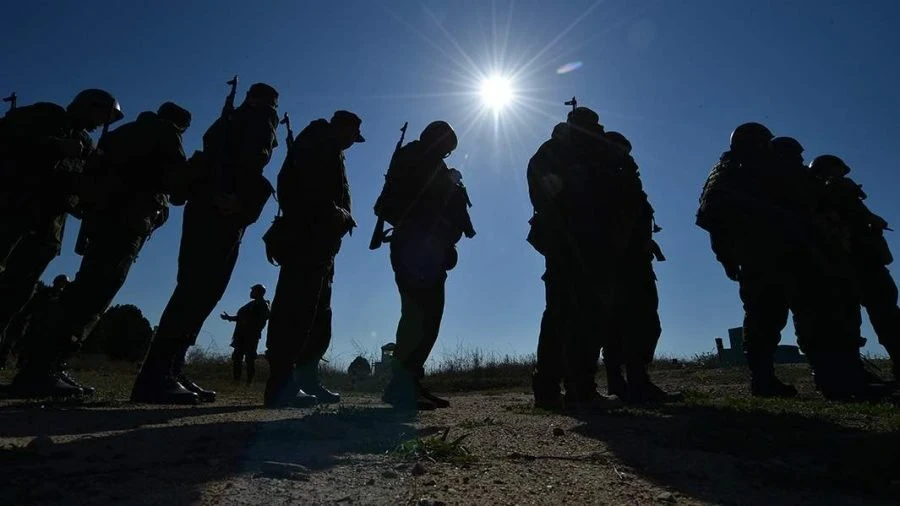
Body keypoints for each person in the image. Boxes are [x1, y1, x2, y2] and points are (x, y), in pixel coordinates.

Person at [8, 102, 191, 398]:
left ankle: (42, 365)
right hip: (127, 222)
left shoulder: (121, 133)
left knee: (85, 288)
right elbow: (177, 182)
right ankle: (44, 369)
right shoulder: (166, 134)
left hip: (102, 222)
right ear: (180, 124)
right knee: (95, 293)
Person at [697, 123, 889, 401]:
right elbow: (713, 217)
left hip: (795, 253)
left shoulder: (770, 169)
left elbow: (810, 201)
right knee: (766, 318)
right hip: (762, 254)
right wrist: (728, 258)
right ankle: (765, 379)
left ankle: (832, 379)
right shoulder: (732, 171)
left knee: (810, 316)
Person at [132, 83, 279, 404]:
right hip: (220, 207)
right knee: (196, 289)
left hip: (214, 204)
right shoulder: (256, 119)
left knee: (203, 291)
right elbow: (250, 159)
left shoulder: (233, 121)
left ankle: (172, 368)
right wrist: (237, 198)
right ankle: (157, 374)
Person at [0, 89, 123, 384]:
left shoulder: (86, 143)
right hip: (14, 215)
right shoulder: (47, 116)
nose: (101, 123)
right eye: (101, 114)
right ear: (86, 106)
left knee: (16, 295)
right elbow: (9, 144)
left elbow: (75, 186)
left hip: (48, 227)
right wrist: (54, 146)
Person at [262, 110, 364, 408]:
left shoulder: (330, 148)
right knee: (294, 310)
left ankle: (306, 379)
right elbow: (298, 189)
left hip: (322, 244)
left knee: (318, 315)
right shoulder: (316, 141)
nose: (352, 143)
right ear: (341, 127)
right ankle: (281, 384)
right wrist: (332, 213)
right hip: (305, 239)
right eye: (352, 136)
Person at [373, 120, 475, 411]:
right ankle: (402, 386)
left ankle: (406, 383)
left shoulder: (424, 161)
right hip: (418, 248)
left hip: (425, 248)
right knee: (421, 317)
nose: (447, 153)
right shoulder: (419, 161)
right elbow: (423, 204)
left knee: (425, 317)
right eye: (446, 146)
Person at [526, 107, 621, 410]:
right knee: (565, 314)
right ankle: (556, 387)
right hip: (568, 244)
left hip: (589, 244)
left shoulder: (593, 153)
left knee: (581, 314)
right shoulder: (555, 152)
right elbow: (544, 194)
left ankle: (573, 387)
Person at [600, 131, 680, 404]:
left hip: (630, 259)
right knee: (634, 321)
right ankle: (632, 382)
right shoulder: (609, 177)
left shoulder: (624, 177)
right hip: (622, 262)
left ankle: (628, 381)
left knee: (634, 322)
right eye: (620, 149)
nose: (626, 155)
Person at [808, 154, 899, 380]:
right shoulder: (840, 190)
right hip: (863, 261)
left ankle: (853, 369)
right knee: (885, 313)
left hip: (844, 263)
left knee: (854, 317)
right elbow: (861, 218)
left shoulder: (819, 194)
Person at [0, 274, 69, 370]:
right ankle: (15, 364)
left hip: (47, 326)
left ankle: (26, 367)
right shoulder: (44, 293)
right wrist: (25, 317)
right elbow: (32, 307)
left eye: (64, 284)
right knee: (22, 343)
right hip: (35, 323)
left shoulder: (62, 297)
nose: (63, 285)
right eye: (62, 283)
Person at [222, 283, 270, 384]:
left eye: (253, 291)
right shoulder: (252, 304)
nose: (251, 293)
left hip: (250, 336)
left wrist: (250, 325)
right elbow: (241, 318)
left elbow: (261, 321)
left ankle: (248, 382)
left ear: (258, 292)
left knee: (249, 359)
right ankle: (236, 381)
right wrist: (229, 318)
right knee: (237, 358)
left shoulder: (263, 305)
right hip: (241, 335)